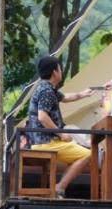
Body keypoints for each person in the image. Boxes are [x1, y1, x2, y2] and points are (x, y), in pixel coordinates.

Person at [27, 55, 94, 198]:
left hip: (43, 140)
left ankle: (59, 187)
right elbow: (42, 117)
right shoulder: (46, 91)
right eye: (60, 68)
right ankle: (59, 187)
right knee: (87, 154)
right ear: (54, 72)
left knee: (80, 152)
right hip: (46, 142)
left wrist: (84, 94)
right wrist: (61, 133)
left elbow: (66, 98)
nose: (61, 71)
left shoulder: (47, 88)